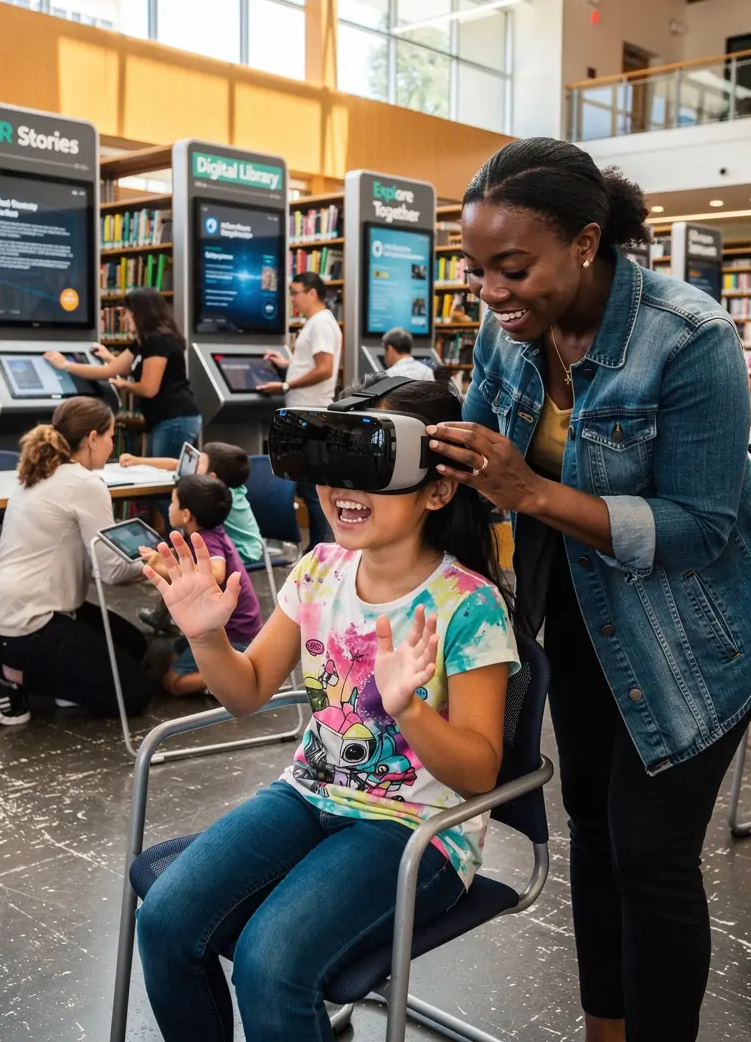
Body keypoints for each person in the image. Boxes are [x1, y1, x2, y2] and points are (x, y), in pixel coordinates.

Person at [425, 137, 751, 1042]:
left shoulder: (691, 339)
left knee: (651, 855)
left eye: (512, 268)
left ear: (585, 242)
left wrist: (531, 492)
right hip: (571, 610)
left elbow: (701, 526)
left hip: (689, 636)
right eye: (476, 270)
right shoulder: (508, 332)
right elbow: (477, 449)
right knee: (593, 827)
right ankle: (605, 1026)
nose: (491, 292)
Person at [135, 375, 520, 1041]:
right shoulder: (318, 570)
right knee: (165, 920)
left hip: (416, 831)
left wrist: (409, 711)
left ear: (437, 490)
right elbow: (248, 691)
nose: (343, 487)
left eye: (370, 465)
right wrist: (207, 637)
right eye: (332, 462)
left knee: (271, 965)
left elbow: (480, 774)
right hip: (306, 794)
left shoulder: (468, 605)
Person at [0, 398, 154, 726]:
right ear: (92, 438)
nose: (113, 446)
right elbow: (112, 571)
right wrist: (156, 566)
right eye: (111, 436)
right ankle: (10, 674)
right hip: (22, 624)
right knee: (134, 693)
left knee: (133, 645)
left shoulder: (42, 470)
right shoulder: (85, 484)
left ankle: (67, 679)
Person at [45, 286, 201, 460]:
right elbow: (113, 370)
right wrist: (107, 356)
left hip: (176, 418)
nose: (125, 317)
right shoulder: (142, 342)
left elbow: (149, 389)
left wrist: (66, 365)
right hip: (165, 419)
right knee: (152, 469)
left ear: (141, 313)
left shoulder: (158, 341)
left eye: (128, 312)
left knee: (162, 472)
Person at [141, 475, 263, 696]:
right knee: (172, 656)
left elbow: (216, 573)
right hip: (236, 629)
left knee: (173, 683)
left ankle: (233, 677)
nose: (169, 507)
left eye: (173, 502)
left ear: (186, 515)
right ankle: (224, 671)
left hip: (235, 634)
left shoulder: (206, 539)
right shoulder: (210, 532)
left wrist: (165, 570)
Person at [257, 271, 342, 552]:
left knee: (312, 488)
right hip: (306, 413)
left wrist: (285, 384)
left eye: (295, 292)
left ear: (312, 292)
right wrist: (288, 363)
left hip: (310, 415)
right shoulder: (316, 323)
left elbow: (324, 369)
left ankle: (320, 549)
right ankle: (317, 548)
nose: (292, 298)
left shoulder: (321, 324)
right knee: (307, 486)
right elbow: (312, 364)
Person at [120, 441, 264, 565]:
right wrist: (137, 460)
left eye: (199, 464)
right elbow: (176, 464)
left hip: (243, 551)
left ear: (212, 477)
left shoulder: (217, 498)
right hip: (239, 544)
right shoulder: (221, 487)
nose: (193, 466)